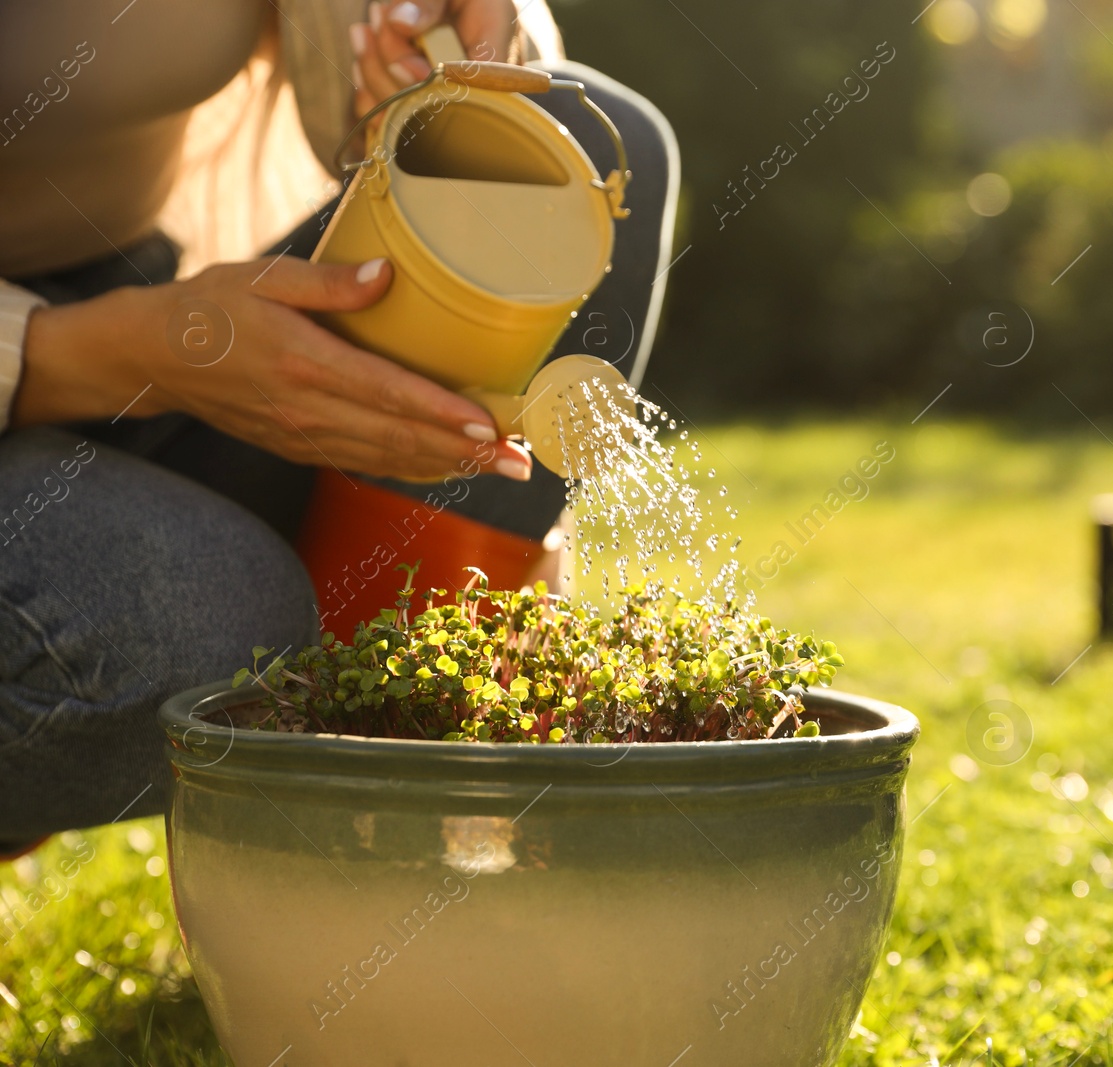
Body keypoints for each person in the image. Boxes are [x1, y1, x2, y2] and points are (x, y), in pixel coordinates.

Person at [0, 0, 678, 850]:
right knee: (208, 625)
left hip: (155, 295)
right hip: (101, 350)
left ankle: (377, 826)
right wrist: (130, 351)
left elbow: (444, 36)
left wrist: (445, 34)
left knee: (592, 140)